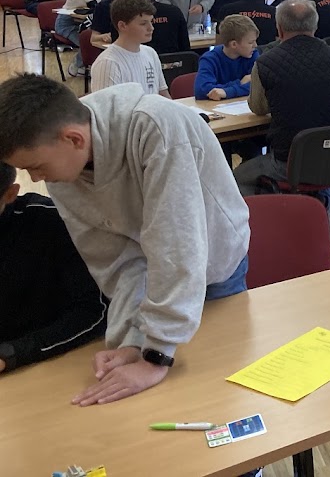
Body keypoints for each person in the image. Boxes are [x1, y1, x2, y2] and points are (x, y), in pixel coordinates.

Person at [0, 73, 251, 406]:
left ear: (74, 139)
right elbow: (115, 261)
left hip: (214, 268)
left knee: (219, 390)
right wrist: (132, 340)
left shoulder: (156, 127)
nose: (35, 178)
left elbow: (178, 247)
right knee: (156, 404)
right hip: (161, 271)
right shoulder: (62, 167)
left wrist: (155, 355)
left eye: (36, 167)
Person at [233, 0, 330, 197]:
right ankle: (319, 199)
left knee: (234, 178)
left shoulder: (265, 63)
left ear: (279, 29)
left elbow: (259, 108)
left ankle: (283, 209)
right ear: (315, 26)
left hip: (290, 163)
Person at [0, 160, 107, 374]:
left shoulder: (51, 222)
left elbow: (96, 312)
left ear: (10, 194)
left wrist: (10, 354)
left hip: (52, 364)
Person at [92, 0, 190, 56]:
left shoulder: (123, 16)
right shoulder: (174, 12)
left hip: (136, 68)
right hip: (176, 67)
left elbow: (119, 52)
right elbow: (186, 50)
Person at [89, 0, 169, 97]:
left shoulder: (150, 53)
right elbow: (106, 105)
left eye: (151, 22)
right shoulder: (108, 63)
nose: (151, 28)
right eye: (143, 23)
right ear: (122, 26)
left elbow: (163, 94)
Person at [56, 0, 107, 77]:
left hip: (82, 22)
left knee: (96, 38)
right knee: (87, 43)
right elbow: (96, 5)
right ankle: (76, 66)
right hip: (67, 23)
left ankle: (86, 66)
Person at [195, 15, 259, 101]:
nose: (255, 45)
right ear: (234, 44)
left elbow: (258, 85)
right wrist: (239, 83)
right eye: (251, 42)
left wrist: (226, 92)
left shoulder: (253, 55)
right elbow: (201, 90)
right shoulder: (209, 59)